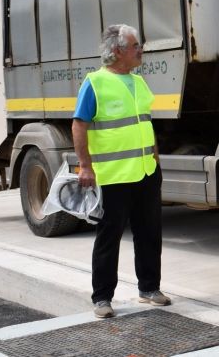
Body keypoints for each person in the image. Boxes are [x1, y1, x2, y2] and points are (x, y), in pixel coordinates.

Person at [72, 24, 170, 318]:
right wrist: (85, 166)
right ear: (117, 51)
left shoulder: (139, 82)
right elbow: (79, 124)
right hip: (113, 175)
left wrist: (155, 158)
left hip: (145, 172)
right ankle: (102, 298)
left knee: (150, 232)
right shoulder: (95, 83)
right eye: (136, 45)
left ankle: (149, 289)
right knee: (109, 236)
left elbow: (145, 122)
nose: (141, 49)